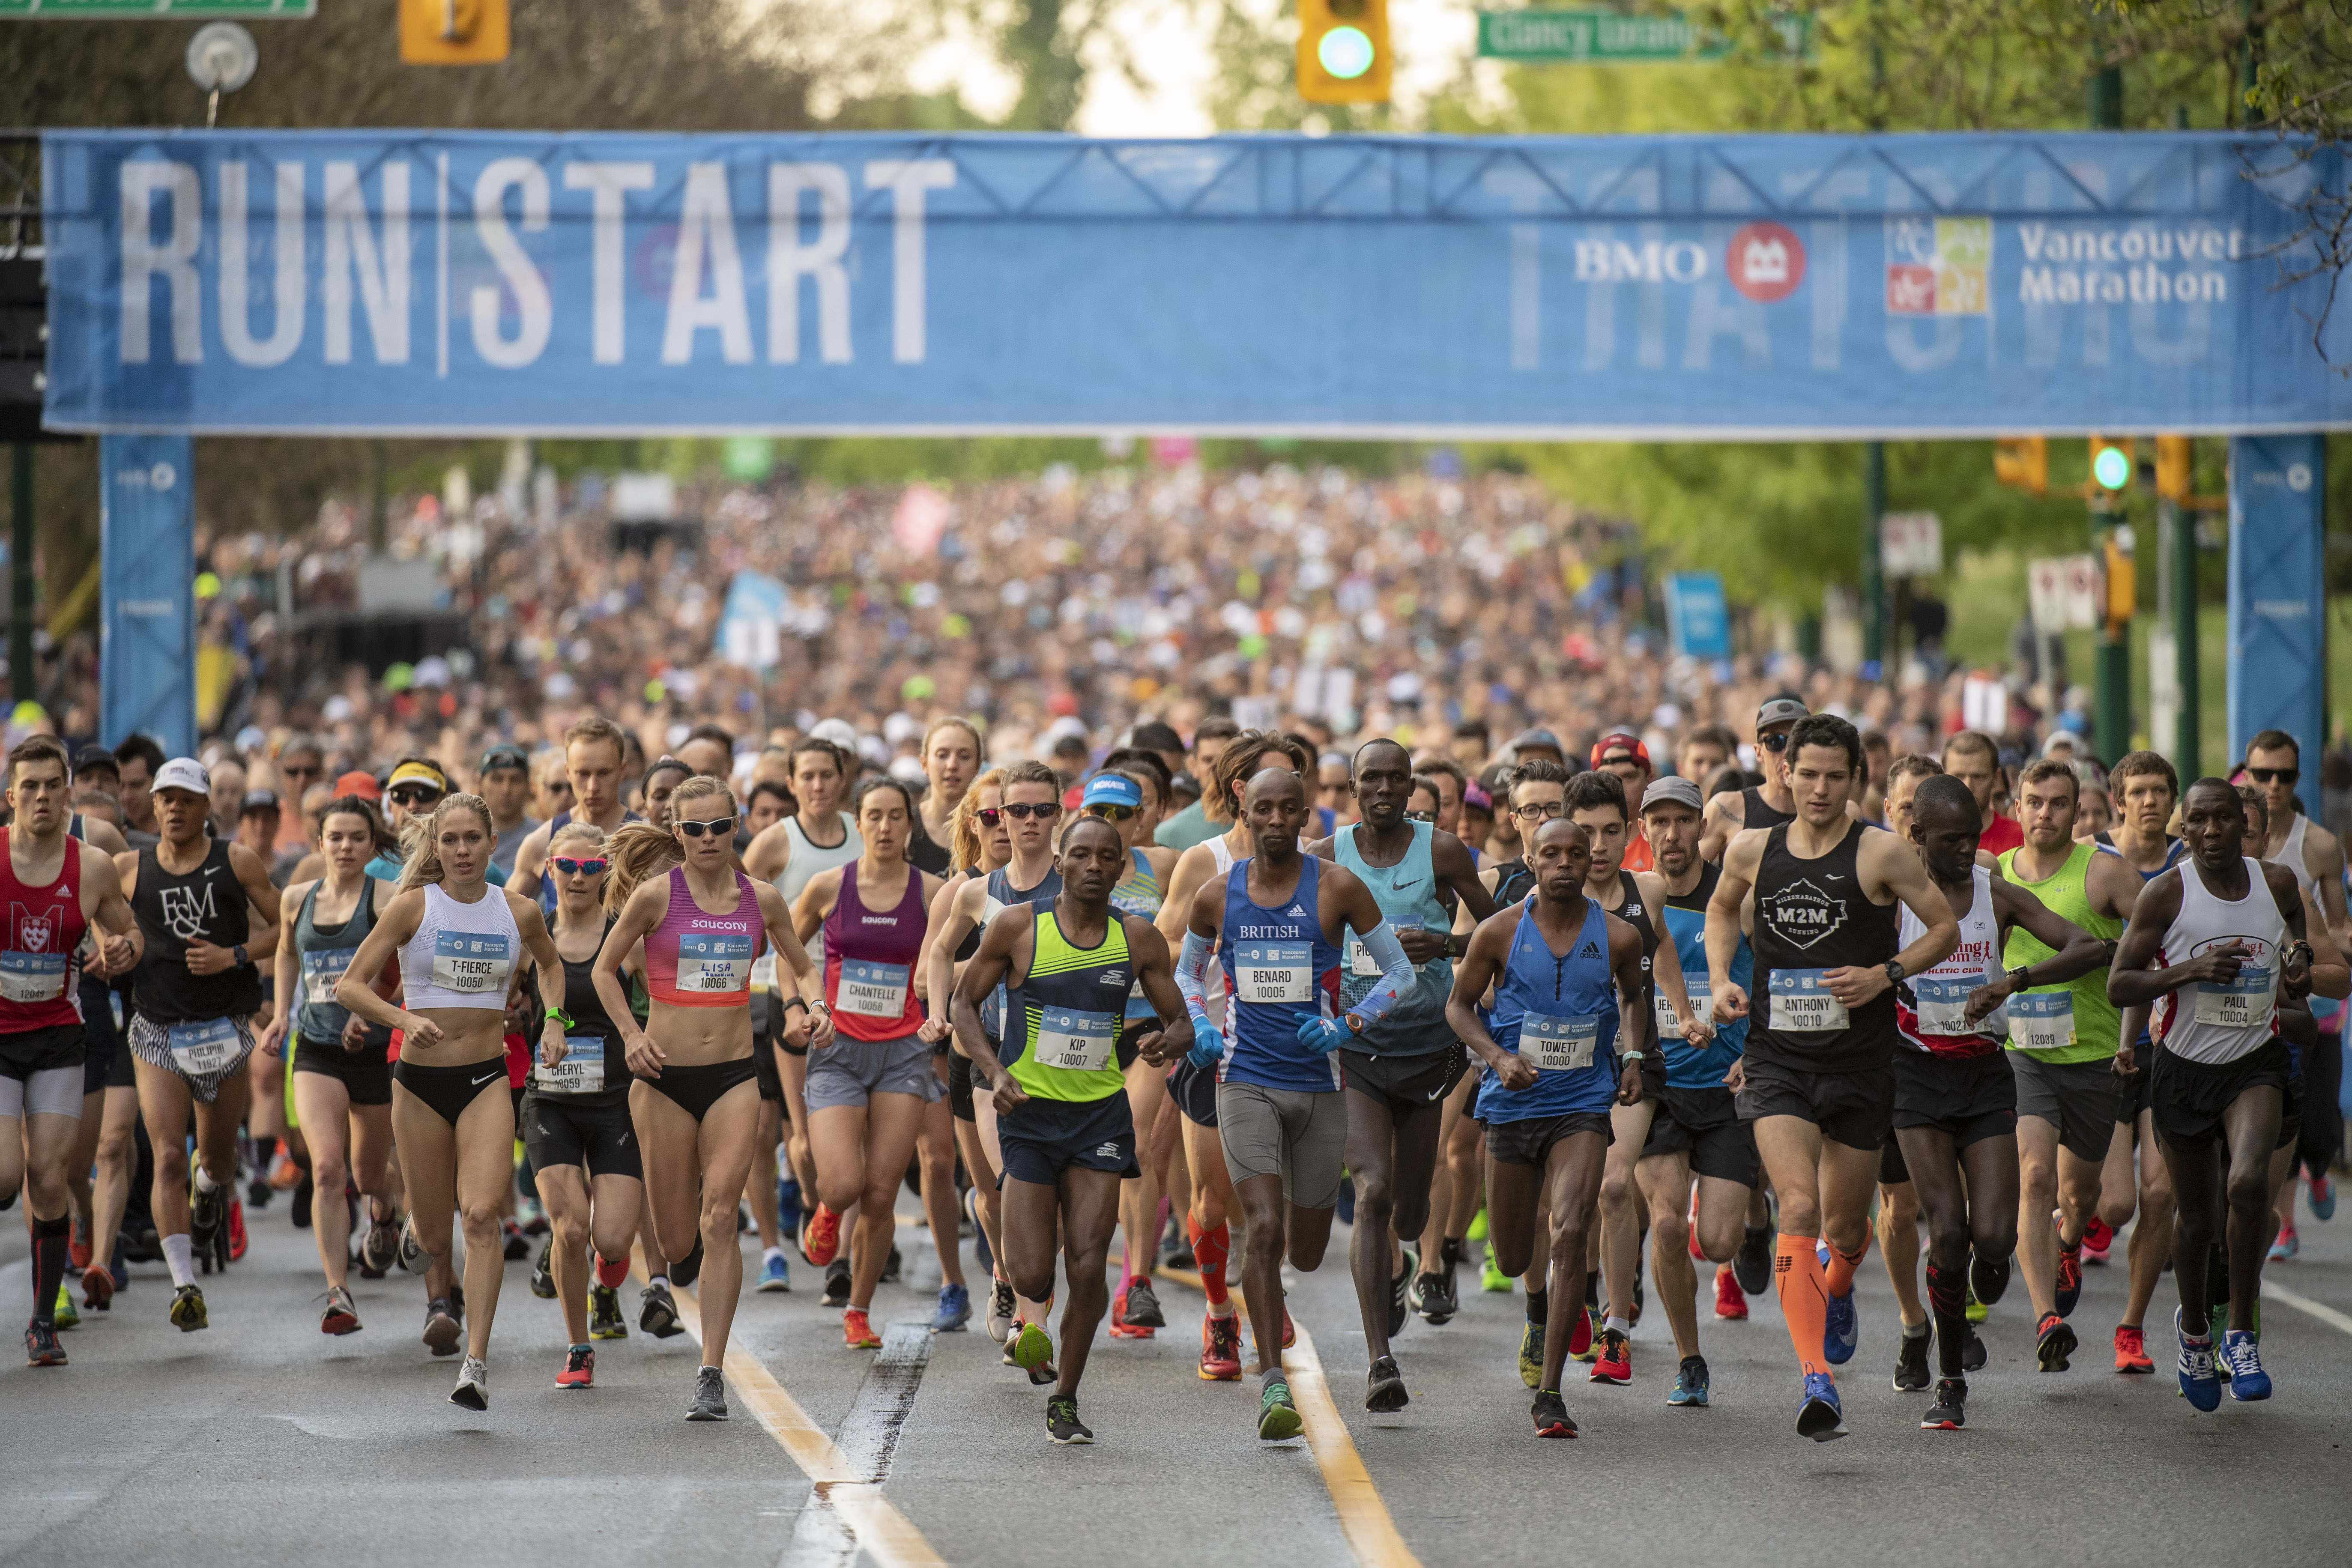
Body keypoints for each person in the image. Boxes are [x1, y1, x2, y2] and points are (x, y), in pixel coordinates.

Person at [1706, 713, 1959, 1440]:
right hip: (1777, 1061)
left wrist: (1887, 974)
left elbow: (1940, 928)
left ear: (1857, 779)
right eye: (1803, 772)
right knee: (1797, 1208)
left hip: (1860, 1066)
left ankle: (1835, 1284)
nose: (1815, 787)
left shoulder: (1881, 854)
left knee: (1846, 1229)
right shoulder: (1752, 848)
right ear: (1783, 770)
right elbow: (1722, 909)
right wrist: (1722, 975)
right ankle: (1816, 1379)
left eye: (1831, 775)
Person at [1173, 765, 1416, 1441]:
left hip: (1318, 1083)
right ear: (1243, 813)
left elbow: (1398, 971)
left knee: (1306, 1250)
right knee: (1263, 1230)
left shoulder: (1336, 886)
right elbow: (1185, 971)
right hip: (1242, 1077)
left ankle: (1280, 1299)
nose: (1277, 821)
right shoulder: (1216, 895)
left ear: (1307, 814)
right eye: (1263, 810)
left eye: (1289, 810)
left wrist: (1350, 1025)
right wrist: (1197, 1021)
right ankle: (1271, 1378)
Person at [951, 813, 1192, 1443]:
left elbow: (1184, 1023)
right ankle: (1026, 1302)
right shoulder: (1016, 927)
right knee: (1033, 1272)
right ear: (1060, 862)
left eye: (1104, 857)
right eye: (1079, 855)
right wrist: (991, 1070)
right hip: (1029, 1115)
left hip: (1099, 1119)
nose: (1091, 866)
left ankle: (1065, 1396)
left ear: (1119, 867)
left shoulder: (1138, 939)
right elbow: (962, 1004)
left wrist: (1165, 1043)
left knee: (1087, 1266)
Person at [596, 780, 825, 1419]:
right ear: (676, 833)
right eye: (693, 829)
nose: (706, 839)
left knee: (722, 1217)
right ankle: (686, 1234)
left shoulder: (762, 900)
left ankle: (711, 1371)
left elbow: (802, 965)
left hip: (731, 1075)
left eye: (718, 827)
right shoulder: (654, 896)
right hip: (663, 1079)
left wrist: (815, 1003)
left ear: (736, 830)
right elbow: (602, 969)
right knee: (675, 1246)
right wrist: (631, 1034)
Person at [334, 793, 563, 1410]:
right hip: (419, 1085)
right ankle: (417, 1225)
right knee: (437, 1238)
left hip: (486, 1078)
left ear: (492, 844)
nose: (462, 850)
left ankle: (476, 1363)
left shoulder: (517, 911)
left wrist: (556, 1021)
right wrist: (402, 1021)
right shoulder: (414, 907)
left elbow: (549, 966)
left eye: (473, 839)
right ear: (436, 848)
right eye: (451, 839)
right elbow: (351, 986)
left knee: (484, 1213)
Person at [1892, 774, 2106, 1430]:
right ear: (1916, 837)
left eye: (1973, 839)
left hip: (1986, 1076)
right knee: (1946, 1228)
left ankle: (1985, 1266)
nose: (1965, 852)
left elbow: (2085, 945)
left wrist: (2010, 981)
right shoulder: (1891, 901)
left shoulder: (1993, 894)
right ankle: (1950, 1378)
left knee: (1991, 1236)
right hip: (1915, 1077)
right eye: (1950, 841)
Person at [2107, 777, 2328, 1410]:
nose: (2209, 832)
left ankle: (2239, 1332)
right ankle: (2193, 1332)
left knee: (2248, 1184)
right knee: (2196, 1216)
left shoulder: (2276, 884)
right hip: (2181, 1070)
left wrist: (2295, 959)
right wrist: (2189, 971)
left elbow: (2292, 930)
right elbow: (2120, 984)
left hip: (2252, 1063)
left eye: (2221, 819)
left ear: (2243, 824)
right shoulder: (2165, 894)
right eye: (2196, 821)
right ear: (2183, 830)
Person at [1446, 816, 1650, 1438]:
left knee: (1568, 1232)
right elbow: (1457, 1006)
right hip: (1511, 1104)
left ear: (1591, 860)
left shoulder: (1616, 936)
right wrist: (1497, 1056)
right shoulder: (1497, 932)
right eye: (1550, 854)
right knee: (1511, 1255)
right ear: (1530, 861)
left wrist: (1635, 1056)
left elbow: (1634, 997)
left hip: (1582, 1103)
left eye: (1575, 854)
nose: (1564, 863)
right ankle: (1537, 1305)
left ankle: (1551, 1391)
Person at [1307, 738, 1495, 1410]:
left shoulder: (1440, 850)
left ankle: (1403, 1264)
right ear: (1352, 787)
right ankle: (1378, 1360)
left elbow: (1500, 929)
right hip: (1357, 1051)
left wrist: (1444, 943)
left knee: (1412, 1209)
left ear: (1410, 784)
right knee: (1372, 1187)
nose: (1384, 788)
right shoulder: (1328, 858)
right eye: (1370, 779)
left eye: (1395, 778)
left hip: (1428, 1047)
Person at [1153, 730, 1309, 1377]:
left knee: (1271, 1203)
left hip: (1292, 1050)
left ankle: (1263, 1296)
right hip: (1217, 1048)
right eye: (1271, 786)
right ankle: (1220, 1312)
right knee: (1213, 1201)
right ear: (1241, 790)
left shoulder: (1316, 864)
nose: (1283, 803)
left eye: (1294, 790)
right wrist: (1191, 1006)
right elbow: (1161, 951)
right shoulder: (1203, 861)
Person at [117, 757, 281, 1332]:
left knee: (215, 1158)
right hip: (157, 1029)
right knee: (166, 1154)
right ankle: (184, 1283)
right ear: (155, 805)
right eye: (167, 799)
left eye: (188, 799)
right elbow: (98, 915)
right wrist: (113, 947)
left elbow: (286, 924)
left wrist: (233, 956)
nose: (175, 809)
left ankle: (210, 1187)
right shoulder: (128, 867)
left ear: (208, 806)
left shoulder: (235, 861)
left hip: (224, 1028)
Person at [1995, 759, 2143, 1378]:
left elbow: (2156, 932)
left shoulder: (2103, 872)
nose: (2045, 814)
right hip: (2022, 1052)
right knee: (2032, 1175)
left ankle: (2065, 1241)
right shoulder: (1996, 875)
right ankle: (2043, 1318)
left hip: (2093, 1056)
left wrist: (2137, 1009)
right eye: (2034, 801)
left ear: (2078, 808)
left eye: (2059, 803)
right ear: (2016, 803)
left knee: (2081, 1196)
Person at [793, 775, 943, 1349]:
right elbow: (787, 945)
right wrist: (799, 1003)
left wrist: (939, 1008)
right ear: (858, 823)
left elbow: (950, 958)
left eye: (895, 816)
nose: (884, 827)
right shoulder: (828, 886)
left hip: (904, 1051)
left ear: (910, 824)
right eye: (874, 815)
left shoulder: (932, 892)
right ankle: (829, 1210)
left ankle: (857, 1308)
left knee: (881, 1195)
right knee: (842, 1180)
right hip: (838, 1050)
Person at [1568, 768, 1706, 1388]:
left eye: (1608, 832)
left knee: (1615, 1187)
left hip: (1633, 1061)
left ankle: (1614, 1332)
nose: (1597, 847)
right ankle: (1563, 1294)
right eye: (1584, 834)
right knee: (1564, 1201)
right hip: (1564, 1064)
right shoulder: (1543, 897)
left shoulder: (1646, 890)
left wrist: (1681, 1012)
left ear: (1629, 834)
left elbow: (1665, 952)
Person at [5, 736, 140, 1366]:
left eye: (50, 785)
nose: (39, 797)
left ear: (67, 794)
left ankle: (40, 1321)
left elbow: (129, 932)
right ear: (11, 797)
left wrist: (120, 951)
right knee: (7, 1177)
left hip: (59, 1036)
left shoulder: (90, 866)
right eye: (27, 786)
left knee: (50, 1178)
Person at [1632, 777, 1763, 1407]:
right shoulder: (1629, 901)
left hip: (1725, 1087)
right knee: (1663, 1224)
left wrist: (1757, 1055)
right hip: (1656, 1089)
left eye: (1682, 821)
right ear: (1643, 831)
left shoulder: (1731, 899)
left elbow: (1776, 981)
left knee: (1717, 1242)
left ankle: (1752, 1219)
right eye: (1657, 821)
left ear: (1700, 828)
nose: (1671, 834)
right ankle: (1689, 1359)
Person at [257, 794, 401, 1339]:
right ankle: (338, 1289)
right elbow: (287, 953)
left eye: (356, 838)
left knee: (369, 1175)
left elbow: (405, 967)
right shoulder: (297, 896)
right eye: (335, 837)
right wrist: (280, 1016)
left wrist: (374, 1013)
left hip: (371, 1051)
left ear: (372, 845)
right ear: (319, 843)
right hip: (316, 1048)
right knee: (326, 1168)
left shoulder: (387, 898)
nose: (345, 847)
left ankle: (384, 1213)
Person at [518, 822, 647, 1382]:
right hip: (550, 1101)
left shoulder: (628, 938)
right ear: (549, 868)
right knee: (569, 1227)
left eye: (590, 868)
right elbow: (491, 1003)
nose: (577, 877)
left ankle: (603, 1268)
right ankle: (578, 1347)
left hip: (616, 1100)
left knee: (612, 1239)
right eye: (567, 867)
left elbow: (661, 1004)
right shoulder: (530, 936)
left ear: (607, 873)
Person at [2090, 751, 2189, 1368]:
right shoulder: (2090, 857)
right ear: (2116, 801)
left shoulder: (2191, 865)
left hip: (2169, 1045)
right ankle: (2075, 1228)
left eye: (2160, 791)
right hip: (2096, 1044)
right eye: (2138, 791)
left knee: (2158, 1196)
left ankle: (2130, 1328)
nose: (2150, 801)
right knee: (2115, 1203)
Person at [917, 765, 1015, 1335]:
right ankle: (1003, 1273)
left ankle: (1031, 1305)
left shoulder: (1053, 885)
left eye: (1018, 812)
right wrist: (988, 967)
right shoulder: (960, 892)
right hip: (969, 1054)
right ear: (973, 825)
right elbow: (922, 977)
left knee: (1021, 1186)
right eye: (991, 815)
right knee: (990, 1194)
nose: (1005, 825)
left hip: (1034, 1050)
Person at [2243, 729, 2349, 1249]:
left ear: (2297, 779)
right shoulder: (2217, 833)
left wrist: (2316, 950)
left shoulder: (2320, 847)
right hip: (2245, 1016)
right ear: (2245, 774)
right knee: (2272, 1118)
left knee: (2319, 1128)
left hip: (2315, 1007)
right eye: (2261, 774)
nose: (2272, 785)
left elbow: (2337, 929)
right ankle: (2281, 1222)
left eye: (2283, 775)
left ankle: (2317, 1168)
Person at [511, 717, 638, 917]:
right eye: (583, 774)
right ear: (568, 772)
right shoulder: (541, 843)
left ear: (622, 771)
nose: (593, 786)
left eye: (604, 773)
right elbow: (504, 920)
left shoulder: (645, 844)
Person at [1698, 697, 1806, 863]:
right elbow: (1687, 880)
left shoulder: (1832, 810)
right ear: (1759, 752)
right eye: (1775, 742)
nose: (1787, 753)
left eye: (1797, 741)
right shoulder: (1727, 809)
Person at [1155, 717, 1239, 853]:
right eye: (1208, 760)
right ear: (1193, 766)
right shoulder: (1169, 834)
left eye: (1226, 759)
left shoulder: (1259, 825)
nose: (1216, 768)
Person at [1941, 731, 2024, 858]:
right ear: (1942, 778)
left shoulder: (2021, 839)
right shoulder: (1928, 839)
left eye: (1978, 777)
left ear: (1996, 778)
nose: (1968, 786)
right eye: (1958, 777)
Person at [1590, 733, 1656, 871]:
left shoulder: (1662, 837)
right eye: (1607, 777)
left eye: (1629, 777)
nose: (1619, 785)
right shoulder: (1578, 839)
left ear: (1649, 780)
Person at [478, 744, 540, 875]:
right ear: (481, 783)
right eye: (497, 779)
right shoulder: (466, 838)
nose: (506, 790)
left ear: (528, 786)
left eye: (516, 780)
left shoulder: (541, 838)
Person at [114, 735, 164, 848]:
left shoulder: (182, 838)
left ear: (159, 783)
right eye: (121, 786)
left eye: (136, 785)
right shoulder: (113, 836)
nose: (126, 796)